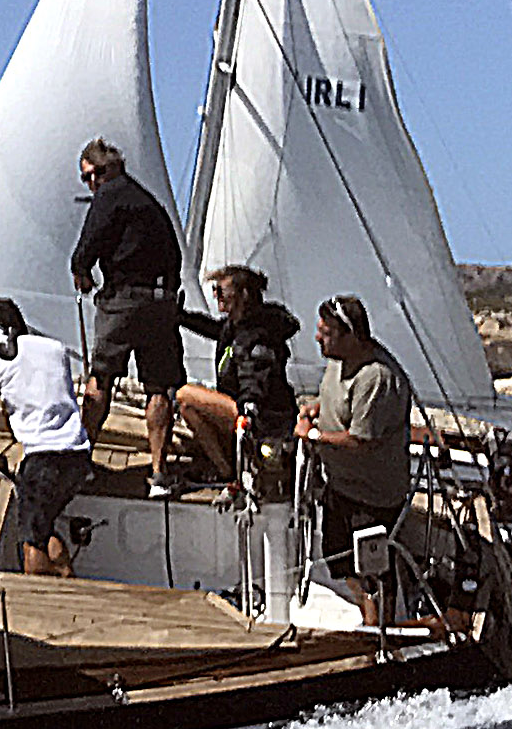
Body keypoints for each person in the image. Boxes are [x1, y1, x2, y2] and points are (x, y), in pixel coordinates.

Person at [66, 138, 187, 492]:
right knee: (158, 387)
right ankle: (159, 473)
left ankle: (80, 462)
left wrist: (82, 272)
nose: (92, 183)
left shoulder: (110, 195)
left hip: (123, 300)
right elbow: (173, 255)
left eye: (94, 174)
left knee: (101, 378)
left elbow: (88, 245)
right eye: (86, 178)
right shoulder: (147, 201)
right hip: (161, 302)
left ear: (111, 169)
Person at [303, 294, 417, 622]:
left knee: (373, 569)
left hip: (372, 496)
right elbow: (332, 401)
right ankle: (368, 613)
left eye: (325, 332)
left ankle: (379, 628)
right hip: (340, 487)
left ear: (351, 336)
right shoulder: (338, 359)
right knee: (337, 560)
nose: (317, 338)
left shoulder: (376, 378)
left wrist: (312, 436)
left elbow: (360, 440)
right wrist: (313, 410)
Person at [0, 298, 95, 575]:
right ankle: (67, 579)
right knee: (44, 524)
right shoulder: (55, 349)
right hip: (77, 455)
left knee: (31, 542)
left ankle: (39, 600)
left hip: (42, 460)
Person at [173, 262, 303, 493]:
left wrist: (249, 407)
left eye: (221, 291)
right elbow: (214, 328)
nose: (216, 296)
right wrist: (182, 317)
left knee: (185, 395)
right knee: (188, 409)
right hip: (245, 409)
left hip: (262, 417)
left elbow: (257, 374)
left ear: (243, 294)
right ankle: (226, 472)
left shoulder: (258, 334)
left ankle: (238, 467)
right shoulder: (237, 326)